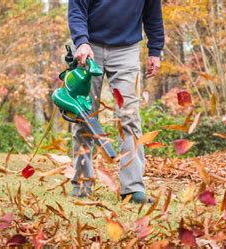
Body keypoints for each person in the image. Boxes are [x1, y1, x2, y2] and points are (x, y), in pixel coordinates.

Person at [68, 0, 164, 203]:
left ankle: (132, 188)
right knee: (84, 115)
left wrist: (155, 50)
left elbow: (153, 14)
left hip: (126, 50)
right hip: (89, 47)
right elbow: (77, 10)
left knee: (129, 116)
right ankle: (82, 183)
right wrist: (81, 41)